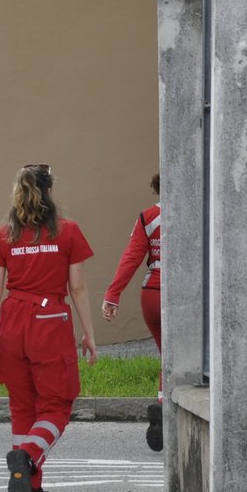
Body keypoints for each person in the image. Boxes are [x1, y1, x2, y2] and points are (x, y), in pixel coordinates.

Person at [0, 164, 98, 492]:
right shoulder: (68, 231)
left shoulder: (3, 234)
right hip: (50, 322)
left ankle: (30, 487)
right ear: (49, 191)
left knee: (21, 406)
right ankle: (28, 456)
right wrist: (89, 334)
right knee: (56, 405)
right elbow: (76, 287)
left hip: (12, 321)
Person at [104, 172, 163, 452]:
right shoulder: (198, 210)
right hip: (186, 296)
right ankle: (164, 406)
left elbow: (131, 257)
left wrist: (112, 295)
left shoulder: (148, 217)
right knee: (183, 356)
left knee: (166, 353)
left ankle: (163, 405)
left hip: (151, 292)